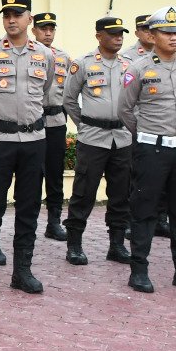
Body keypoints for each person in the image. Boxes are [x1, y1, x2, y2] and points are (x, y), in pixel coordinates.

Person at [118, 6, 176, 293]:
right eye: (166, 33)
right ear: (153, 35)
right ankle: (139, 271)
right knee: (144, 211)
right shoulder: (139, 68)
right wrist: (147, 133)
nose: (173, 37)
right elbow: (125, 109)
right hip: (151, 151)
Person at [0, 0, 53, 295]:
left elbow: (45, 90)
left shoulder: (45, 54)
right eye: (7, 15)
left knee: (29, 208)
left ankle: (22, 272)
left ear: (29, 18)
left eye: (18, 14)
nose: (11, 20)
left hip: (33, 142)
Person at [59, 16, 133, 267]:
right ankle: (75, 245)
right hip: (93, 139)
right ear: (99, 36)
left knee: (121, 193)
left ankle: (117, 245)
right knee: (83, 192)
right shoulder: (83, 64)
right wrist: (85, 124)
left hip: (122, 138)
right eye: (112, 33)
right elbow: (69, 100)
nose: (118, 37)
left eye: (121, 33)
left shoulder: (131, 65)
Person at [31, 11, 74, 241]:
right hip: (33, 123)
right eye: (43, 29)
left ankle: (54, 222)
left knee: (55, 174)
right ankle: (30, 222)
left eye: (51, 29)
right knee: (33, 174)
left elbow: (69, 93)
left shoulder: (64, 58)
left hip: (56, 121)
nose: (47, 33)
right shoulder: (27, 54)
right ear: (34, 30)